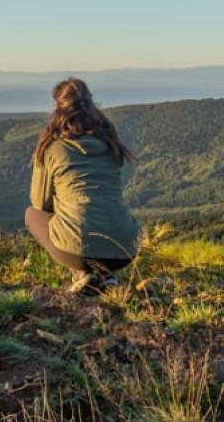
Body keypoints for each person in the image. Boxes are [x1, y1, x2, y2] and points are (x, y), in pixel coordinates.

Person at [25, 78, 142, 295]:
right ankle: (109, 276)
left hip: (75, 251)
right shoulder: (111, 145)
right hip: (126, 247)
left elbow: (40, 202)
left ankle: (82, 274)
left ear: (58, 107)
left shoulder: (53, 148)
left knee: (32, 214)